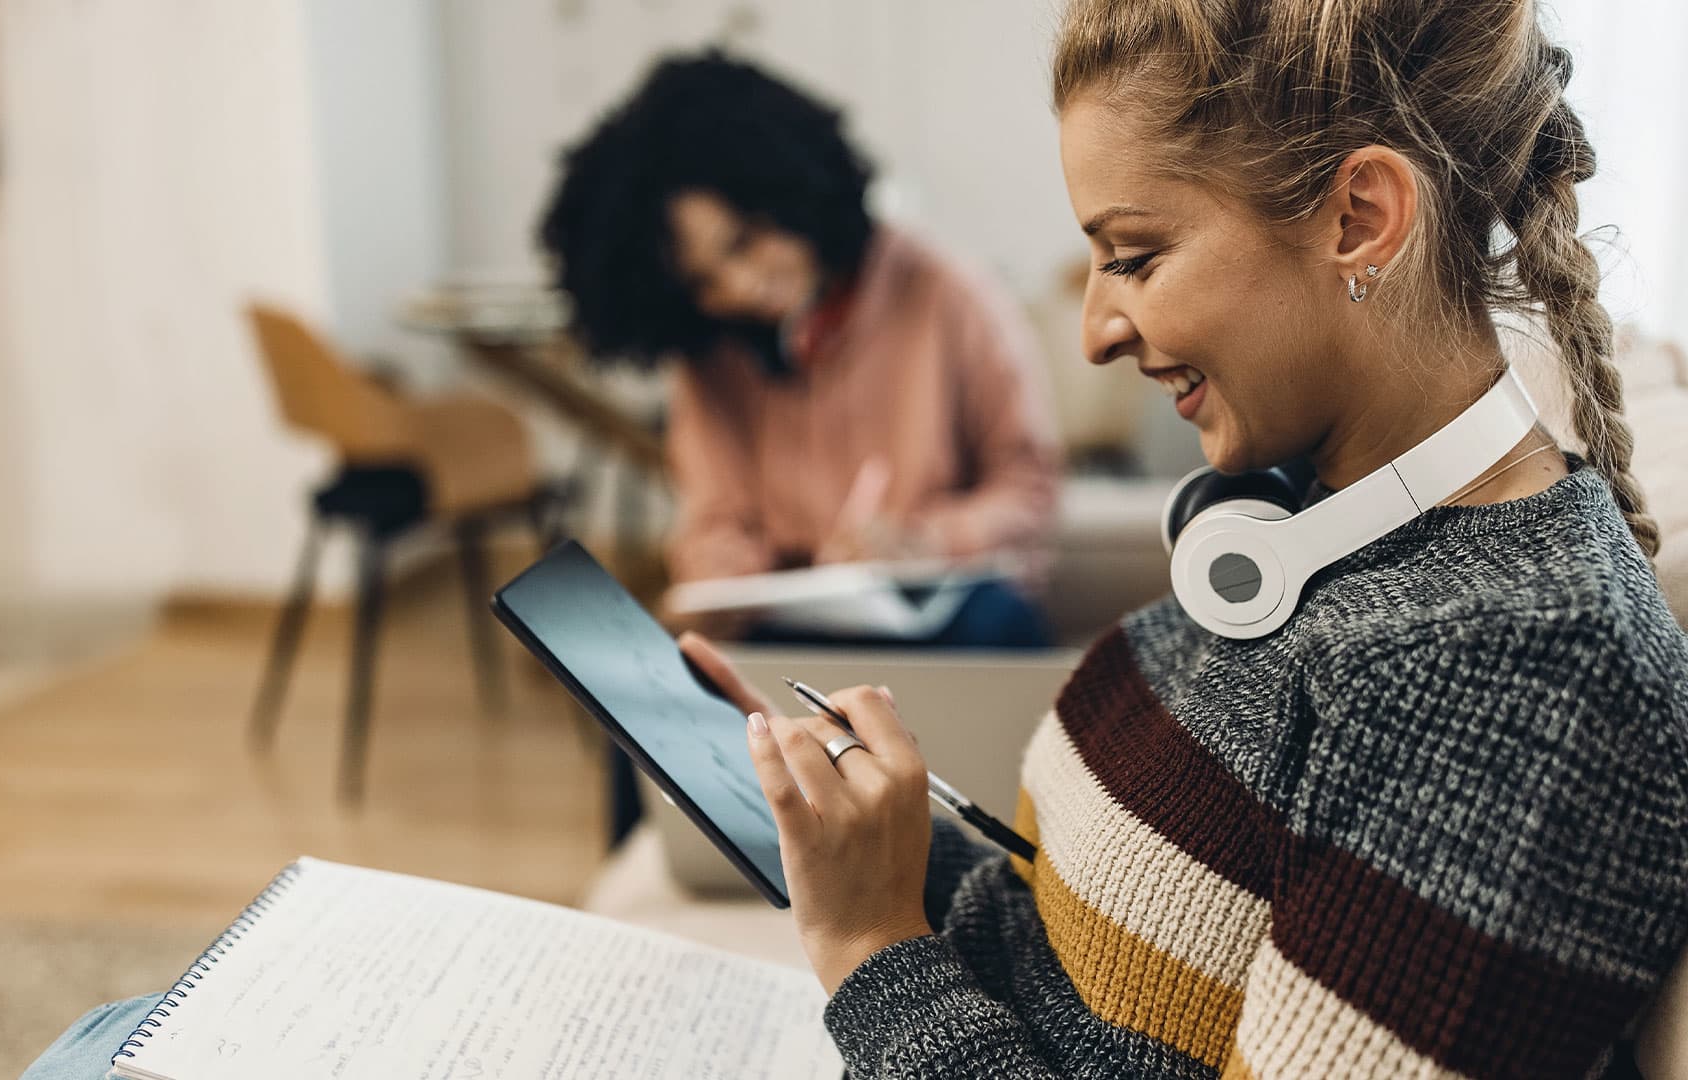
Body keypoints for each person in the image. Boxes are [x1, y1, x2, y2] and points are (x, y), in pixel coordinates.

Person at [675, 1, 1688, 1076]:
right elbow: (1082, 952)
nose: (1095, 330)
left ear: (1358, 216)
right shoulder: (1299, 526)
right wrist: (852, 836)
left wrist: (871, 949)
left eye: (1135, 256)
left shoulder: (1520, 683)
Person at [538, 50, 1062, 650]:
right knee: (650, 708)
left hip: (931, 602)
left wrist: (926, 541)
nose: (738, 288)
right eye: (702, 283)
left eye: (744, 242)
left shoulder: (949, 294)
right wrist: (720, 578)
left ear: (791, 192)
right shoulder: (710, 353)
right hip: (785, 616)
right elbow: (714, 519)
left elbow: (1028, 488)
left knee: (1000, 624)